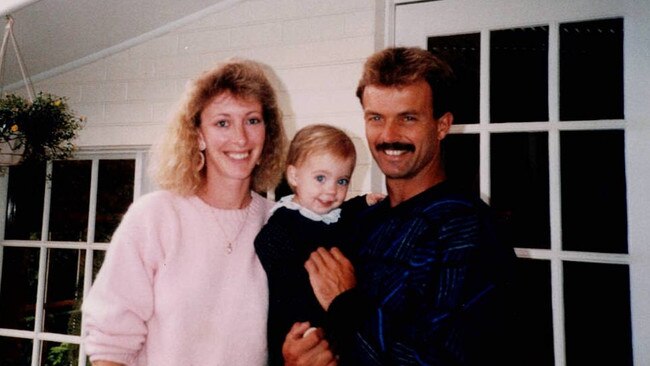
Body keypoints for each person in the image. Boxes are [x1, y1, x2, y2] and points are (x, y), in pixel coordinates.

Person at [282, 47, 516, 366]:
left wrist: (344, 304)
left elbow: (435, 359)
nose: (388, 135)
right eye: (376, 118)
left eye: (408, 118)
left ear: (442, 125)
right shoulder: (361, 220)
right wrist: (304, 354)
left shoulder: (466, 228)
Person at [81, 59, 287, 366]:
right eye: (222, 123)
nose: (241, 138)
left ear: (267, 132)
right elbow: (110, 345)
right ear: (198, 135)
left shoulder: (279, 224)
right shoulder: (155, 217)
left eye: (252, 120)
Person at [254, 124, 383, 366]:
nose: (331, 190)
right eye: (321, 178)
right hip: (297, 327)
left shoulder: (333, 214)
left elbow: (347, 211)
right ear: (294, 176)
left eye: (342, 180)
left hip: (333, 323)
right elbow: (269, 251)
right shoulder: (283, 223)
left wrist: (364, 201)